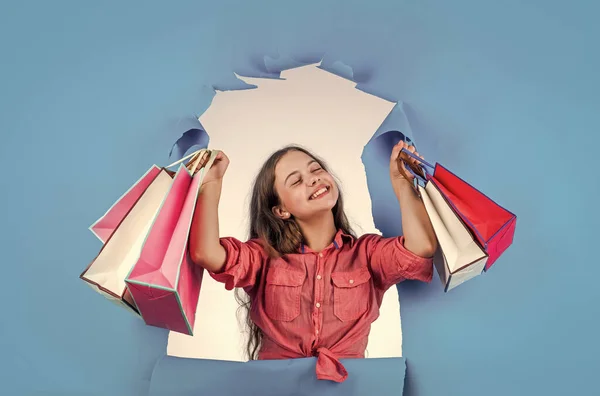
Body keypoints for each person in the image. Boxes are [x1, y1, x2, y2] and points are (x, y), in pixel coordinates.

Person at [189, 142, 437, 383]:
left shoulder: (367, 254)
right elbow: (206, 253)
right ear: (281, 210)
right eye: (296, 181)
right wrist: (211, 183)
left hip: (348, 390)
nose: (313, 179)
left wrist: (403, 183)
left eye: (316, 169)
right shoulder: (263, 257)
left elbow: (420, 248)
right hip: (275, 389)